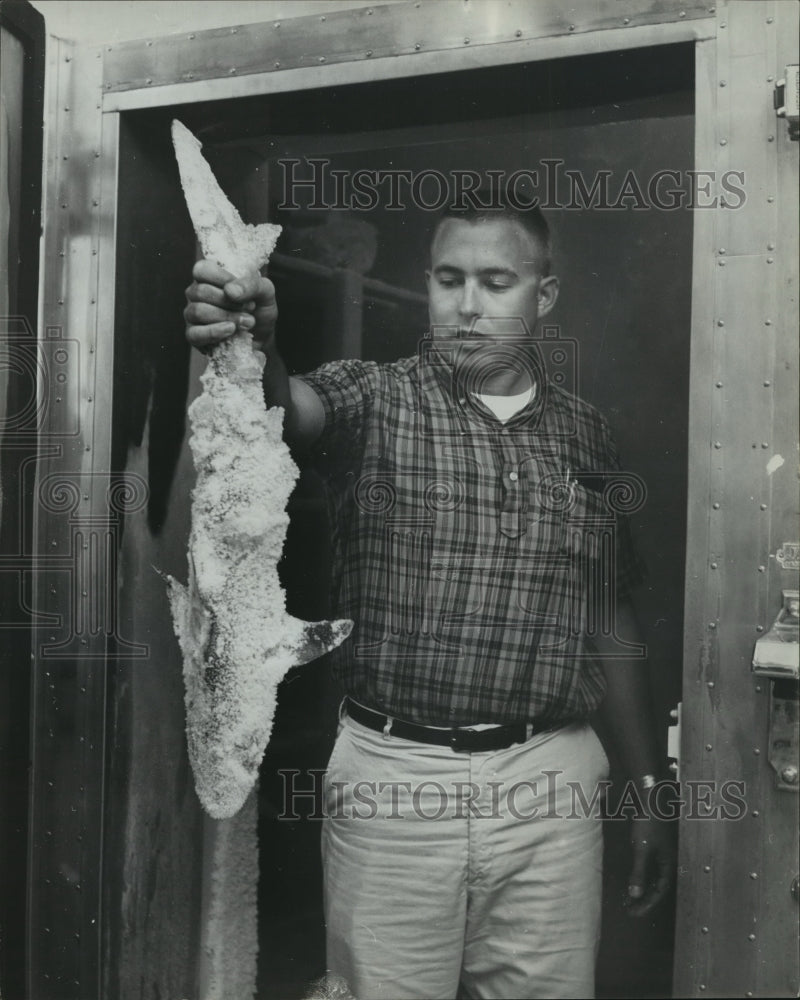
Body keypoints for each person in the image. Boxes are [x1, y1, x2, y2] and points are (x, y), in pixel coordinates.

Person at [184, 192, 673, 999]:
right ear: (428, 286)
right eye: (450, 280)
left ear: (542, 296)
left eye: (496, 281)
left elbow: (608, 614)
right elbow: (285, 411)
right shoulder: (377, 397)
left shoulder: (587, 433)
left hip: (550, 779)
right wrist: (252, 340)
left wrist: (650, 789)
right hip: (392, 773)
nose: (469, 305)